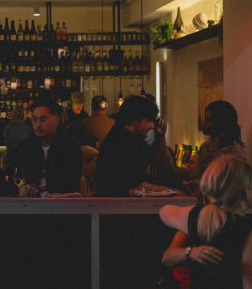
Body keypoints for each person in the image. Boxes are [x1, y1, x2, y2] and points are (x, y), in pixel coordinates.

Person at [159, 155, 252, 288]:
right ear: (244, 190)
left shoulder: (195, 216)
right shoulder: (246, 227)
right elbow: (248, 279)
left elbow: (164, 212)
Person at [95, 95, 171, 197]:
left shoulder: (130, 137)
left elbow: (155, 159)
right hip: (116, 204)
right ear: (135, 119)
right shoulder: (121, 140)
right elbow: (134, 185)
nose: (152, 126)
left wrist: (161, 136)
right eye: (148, 120)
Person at [15, 97, 82, 196]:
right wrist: (22, 186)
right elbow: (17, 175)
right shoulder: (26, 147)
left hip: (60, 205)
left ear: (57, 120)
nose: (38, 125)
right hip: (30, 205)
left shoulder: (69, 147)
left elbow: (70, 184)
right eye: (34, 120)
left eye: (43, 119)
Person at [188, 100, 246, 179]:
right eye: (205, 117)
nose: (204, 122)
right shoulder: (204, 148)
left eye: (208, 119)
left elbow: (236, 182)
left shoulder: (234, 150)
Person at [2, 104, 34, 174]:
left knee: (9, 183)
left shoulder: (8, 127)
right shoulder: (28, 128)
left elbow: (5, 138)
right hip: (23, 163)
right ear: (24, 114)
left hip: (9, 161)